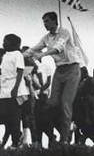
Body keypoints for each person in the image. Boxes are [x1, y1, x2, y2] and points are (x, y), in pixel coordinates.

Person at [24, 12, 81, 146]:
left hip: (72, 69)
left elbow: (58, 48)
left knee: (65, 103)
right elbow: (33, 49)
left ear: (55, 21)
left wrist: (42, 55)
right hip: (60, 70)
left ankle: (64, 140)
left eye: (47, 21)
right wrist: (19, 55)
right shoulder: (46, 38)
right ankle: (61, 131)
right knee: (51, 104)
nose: (45, 24)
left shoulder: (64, 32)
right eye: (44, 21)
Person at [0, 34, 28, 148]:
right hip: (4, 91)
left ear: (13, 44)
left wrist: (15, 88)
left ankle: (16, 141)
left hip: (15, 90)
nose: (3, 43)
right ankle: (17, 136)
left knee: (15, 117)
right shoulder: (5, 56)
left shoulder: (17, 54)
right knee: (5, 115)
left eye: (6, 41)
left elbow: (20, 71)